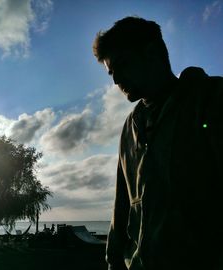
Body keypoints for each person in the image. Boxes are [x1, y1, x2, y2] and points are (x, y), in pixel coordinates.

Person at [92, 16, 223, 270]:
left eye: (122, 64)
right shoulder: (130, 127)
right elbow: (121, 205)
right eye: (111, 72)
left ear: (152, 53)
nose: (115, 80)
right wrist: (114, 260)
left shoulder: (211, 100)